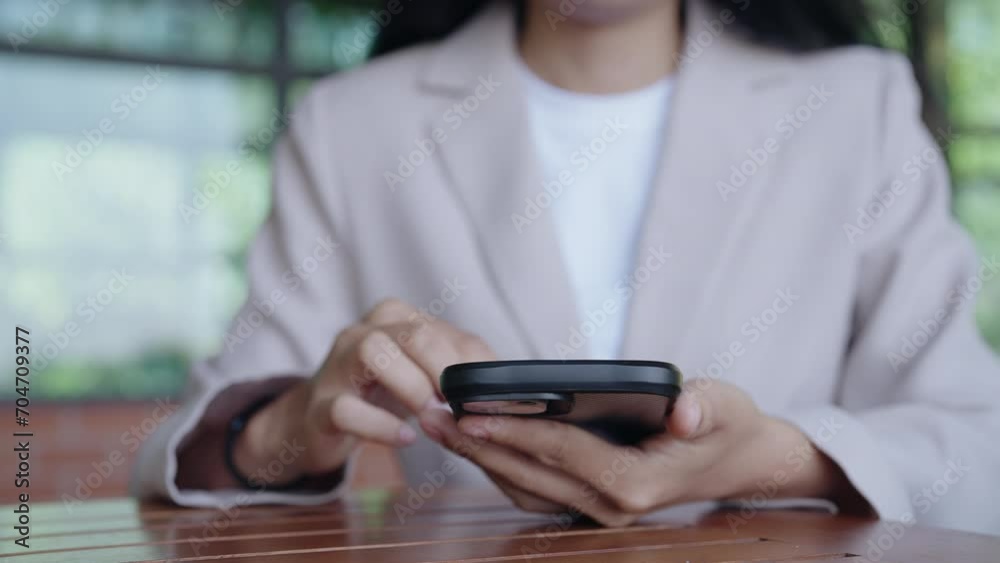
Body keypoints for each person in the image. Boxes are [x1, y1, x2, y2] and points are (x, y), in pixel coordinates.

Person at [133, 0, 1000, 533]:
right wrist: (291, 423)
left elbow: (975, 446)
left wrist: (779, 457)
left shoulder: (858, 105)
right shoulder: (350, 125)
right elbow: (186, 464)